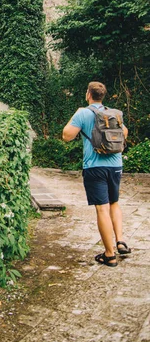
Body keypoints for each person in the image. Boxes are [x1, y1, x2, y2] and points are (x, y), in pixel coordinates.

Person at [62, 81, 130, 267]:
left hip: (94, 167)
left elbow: (66, 135)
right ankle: (120, 241)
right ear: (103, 96)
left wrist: (79, 122)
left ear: (88, 94)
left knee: (102, 208)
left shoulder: (83, 112)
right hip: (116, 165)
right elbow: (124, 133)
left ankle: (109, 255)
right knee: (114, 203)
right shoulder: (115, 113)